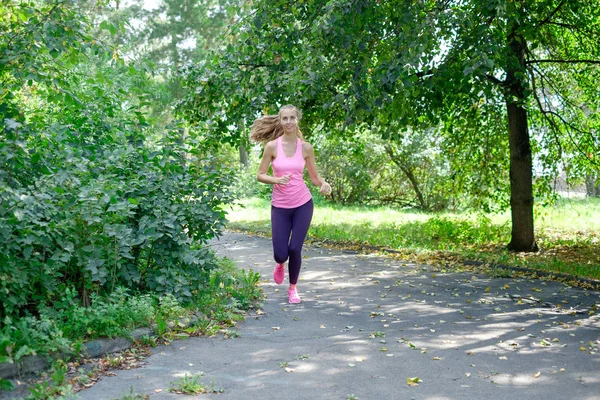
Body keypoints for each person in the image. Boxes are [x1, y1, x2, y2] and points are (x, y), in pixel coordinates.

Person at [250, 104, 331, 304]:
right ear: (280, 121)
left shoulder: (306, 148)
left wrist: (323, 184)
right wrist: (275, 180)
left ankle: (293, 288)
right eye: (284, 118)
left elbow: (314, 177)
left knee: (295, 248)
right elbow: (260, 175)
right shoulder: (271, 147)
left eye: (292, 118)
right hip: (280, 206)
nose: (288, 122)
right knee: (280, 253)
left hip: (302, 203)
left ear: (297, 120)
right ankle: (280, 264)